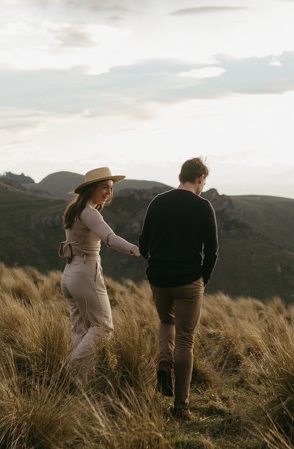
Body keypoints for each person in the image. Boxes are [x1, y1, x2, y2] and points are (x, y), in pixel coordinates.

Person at [138, 156, 218, 418]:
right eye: (203, 182)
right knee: (185, 340)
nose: (202, 187)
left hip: (159, 280)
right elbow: (213, 251)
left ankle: (163, 363)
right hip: (188, 281)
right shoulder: (204, 207)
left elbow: (143, 243)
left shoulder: (158, 202)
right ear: (198, 179)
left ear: (180, 176)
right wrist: (202, 279)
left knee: (165, 320)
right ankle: (181, 407)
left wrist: (157, 263)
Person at [59, 166, 141, 371]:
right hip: (86, 273)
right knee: (104, 327)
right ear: (92, 188)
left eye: (111, 188)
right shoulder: (90, 213)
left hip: (69, 275)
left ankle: (78, 382)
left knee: (81, 329)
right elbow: (110, 238)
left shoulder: (74, 210)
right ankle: (69, 368)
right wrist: (134, 249)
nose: (108, 193)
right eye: (104, 187)